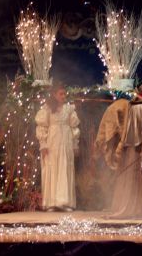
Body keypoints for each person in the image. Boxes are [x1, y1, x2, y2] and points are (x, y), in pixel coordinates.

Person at [94, 82, 142, 219]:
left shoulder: (132, 105)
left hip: (131, 148)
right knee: (141, 179)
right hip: (139, 149)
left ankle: (135, 207)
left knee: (133, 180)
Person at [35, 82, 80, 212]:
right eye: (61, 93)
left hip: (66, 142)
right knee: (52, 168)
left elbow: (74, 127)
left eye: (64, 93)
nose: (63, 96)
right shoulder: (47, 108)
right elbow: (42, 126)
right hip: (52, 143)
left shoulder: (69, 109)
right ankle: (51, 203)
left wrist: (75, 144)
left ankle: (65, 203)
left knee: (65, 168)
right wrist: (43, 144)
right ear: (54, 95)